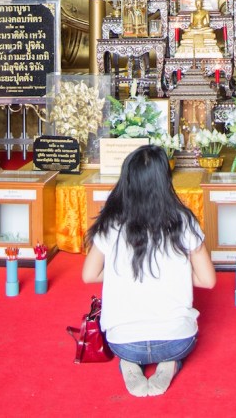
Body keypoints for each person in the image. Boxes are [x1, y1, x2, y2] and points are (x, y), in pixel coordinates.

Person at [82, 144, 216, 397]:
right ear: (166, 180)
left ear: (126, 180)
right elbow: (208, 280)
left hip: (123, 343)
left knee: (128, 347)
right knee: (178, 341)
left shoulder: (112, 222)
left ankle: (129, 363)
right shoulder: (183, 221)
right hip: (177, 340)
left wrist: (123, 272)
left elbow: (89, 275)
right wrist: (172, 271)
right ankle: (171, 362)